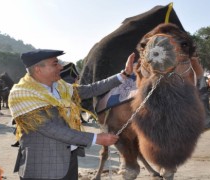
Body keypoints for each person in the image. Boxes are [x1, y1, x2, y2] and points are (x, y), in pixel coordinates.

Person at [8, 49, 135, 180]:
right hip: (43, 167)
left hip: (69, 159)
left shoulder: (60, 87)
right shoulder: (22, 94)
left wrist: (124, 74)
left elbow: (90, 89)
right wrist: (95, 138)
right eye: (55, 64)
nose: (61, 67)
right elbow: (50, 129)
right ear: (38, 69)